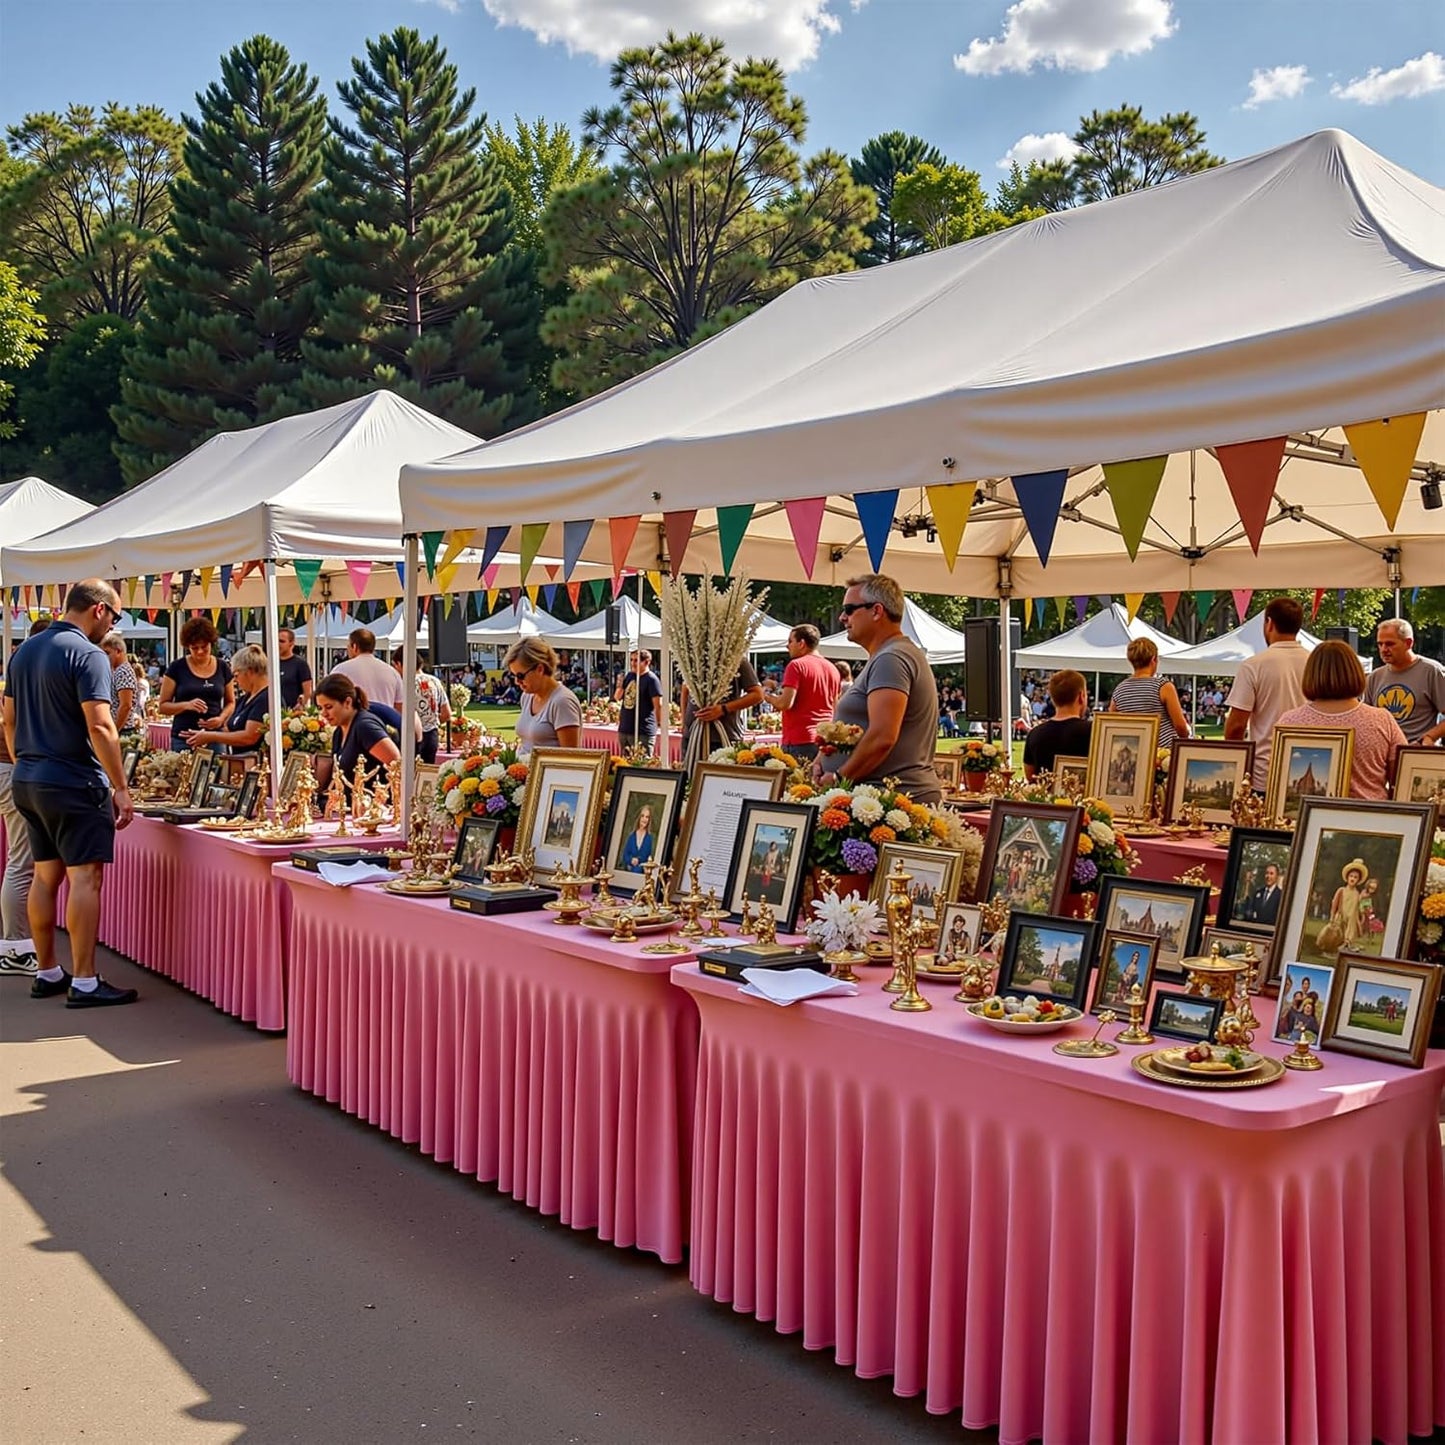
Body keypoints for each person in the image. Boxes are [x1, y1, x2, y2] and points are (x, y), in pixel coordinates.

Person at [2, 580, 137, 1006]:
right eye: (114, 617)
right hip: (74, 779)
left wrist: (25, 757)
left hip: (28, 775)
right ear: (98, 610)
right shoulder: (88, 654)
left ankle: (47, 969)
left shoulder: (25, 651)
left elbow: (8, 718)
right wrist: (120, 786)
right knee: (85, 877)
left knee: (45, 875)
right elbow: (100, 725)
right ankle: (85, 980)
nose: (113, 625)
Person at [819, 573, 941, 805]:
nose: (842, 617)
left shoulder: (891, 658)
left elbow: (883, 736)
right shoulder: (888, 656)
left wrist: (839, 777)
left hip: (894, 801)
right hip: (882, 799)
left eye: (849, 609)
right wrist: (821, 758)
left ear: (876, 611)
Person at [1274, 640, 1405, 800]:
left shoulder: (1289, 721)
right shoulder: (1381, 720)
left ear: (1310, 674)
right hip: (1370, 818)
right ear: (1355, 672)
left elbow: (1277, 776)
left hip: (1308, 820)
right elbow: (1401, 777)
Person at [0, 620, 53, 976]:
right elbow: (10, 723)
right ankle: (14, 947)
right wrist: (22, 764)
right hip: (11, 770)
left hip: (11, 770)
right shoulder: (24, 673)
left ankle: (16, 943)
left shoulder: (16, 672)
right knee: (22, 862)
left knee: (22, 860)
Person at [1225, 597, 1309, 791]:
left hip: (1264, 773)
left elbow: (1236, 726)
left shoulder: (1253, 665)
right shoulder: (1315, 662)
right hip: (1307, 765)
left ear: (1269, 623)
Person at [761, 625, 841, 762]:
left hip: (799, 739)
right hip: (825, 739)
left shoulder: (796, 665)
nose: (787, 646)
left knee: (795, 782)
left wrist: (766, 696)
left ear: (802, 643)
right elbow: (836, 706)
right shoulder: (832, 668)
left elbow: (785, 703)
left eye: (790, 641)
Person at [158, 615, 235, 751]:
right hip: (184, 737)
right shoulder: (177, 667)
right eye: (194, 648)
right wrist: (186, 705)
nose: (200, 652)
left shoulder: (223, 667)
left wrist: (221, 719)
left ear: (212, 643)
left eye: (204, 647)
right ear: (188, 646)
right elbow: (163, 706)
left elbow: (231, 702)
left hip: (214, 736)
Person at [1365, 618, 1445, 746]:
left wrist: (1430, 736)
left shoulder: (1432, 671)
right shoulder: (1374, 677)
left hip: (1417, 756)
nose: (1383, 649)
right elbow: (1367, 720)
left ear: (1408, 643)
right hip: (1383, 755)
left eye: (1390, 644)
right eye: (1380, 644)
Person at [316, 674, 401, 788]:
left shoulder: (365, 727)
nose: (324, 713)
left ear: (347, 702)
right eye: (320, 708)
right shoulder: (338, 732)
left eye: (329, 707)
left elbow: (396, 763)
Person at [182, 645, 269, 755]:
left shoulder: (265, 699)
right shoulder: (246, 698)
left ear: (249, 672)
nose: (235, 681)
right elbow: (229, 728)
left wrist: (210, 736)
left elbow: (249, 737)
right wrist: (203, 734)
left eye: (237, 675)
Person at [507, 638, 583, 757]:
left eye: (520, 676)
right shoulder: (527, 697)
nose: (517, 682)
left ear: (540, 669)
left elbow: (570, 757)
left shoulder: (562, 702)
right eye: (514, 676)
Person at [1108, 638, 1190, 747]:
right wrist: (1186, 737)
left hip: (1135, 750)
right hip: (1162, 751)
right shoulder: (1163, 686)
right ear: (1153, 659)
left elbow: (1111, 722)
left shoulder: (1120, 689)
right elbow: (1180, 726)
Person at [681, 657, 764, 757]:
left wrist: (723, 709)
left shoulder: (737, 658)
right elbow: (685, 689)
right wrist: (684, 722)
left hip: (724, 736)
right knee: (690, 771)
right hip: (692, 736)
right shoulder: (693, 657)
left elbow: (757, 695)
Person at [1022, 670, 1092, 779]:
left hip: (1046, 795)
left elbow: (1031, 778)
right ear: (1081, 696)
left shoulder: (1034, 735)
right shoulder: (1094, 732)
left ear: (1053, 699)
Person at [391, 650, 451, 763]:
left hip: (409, 735)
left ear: (399, 664)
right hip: (431, 734)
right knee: (426, 775)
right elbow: (446, 713)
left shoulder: (403, 684)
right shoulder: (435, 681)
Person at [333, 627, 405, 711]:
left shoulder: (340, 670)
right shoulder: (392, 673)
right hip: (385, 722)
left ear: (354, 646)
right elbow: (399, 707)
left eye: (348, 646)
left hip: (354, 722)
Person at [614, 649, 663, 750]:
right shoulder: (630, 676)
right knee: (624, 763)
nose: (633, 663)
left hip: (643, 731)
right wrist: (620, 684)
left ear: (646, 662)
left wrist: (659, 723)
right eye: (631, 660)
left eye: (636, 660)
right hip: (625, 729)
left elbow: (658, 705)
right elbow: (617, 697)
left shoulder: (651, 680)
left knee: (642, 762)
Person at [101, 631, 143, 737]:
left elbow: (126, 705)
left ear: (118, 651)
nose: (105, 657)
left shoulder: (123, 671)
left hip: (123, 730)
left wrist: (114, 731)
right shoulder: (117, 670)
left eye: (107, 653)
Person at [1326, 862, 1369, 955]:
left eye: (1355, 877)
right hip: (1341, 916)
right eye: (1351, 876)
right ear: (1347, 877)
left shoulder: (1357, 893)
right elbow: (1334, 904)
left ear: (1358, 880)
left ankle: (1346, 946)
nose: (1353, 879)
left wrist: (1362, 916)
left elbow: (1358, 907)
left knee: (1349, 934)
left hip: (1351, 918)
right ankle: (1332, 949)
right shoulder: (1341, 890)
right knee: (1336, 934)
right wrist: (1332, 916)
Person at [275, 626, 314, 709]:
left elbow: (307, 692)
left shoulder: (300, 664)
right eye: (276, 641)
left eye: (282, 641)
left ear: (291, 643)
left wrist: (300, 704)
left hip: (292, 713)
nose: (278, 644)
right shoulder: (270, 663)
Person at [1243, 862, 1284, 926]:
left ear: (1277, 876)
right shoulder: (1258, 893)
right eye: (1267, 873)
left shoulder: (1281, 896)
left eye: (1271, 874)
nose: (1268, 876)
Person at [619, 803, 656, 871]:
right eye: (642, 816)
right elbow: (625, 855)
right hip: (629, 869)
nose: (644, 819)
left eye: (647, 817)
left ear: (649, 820)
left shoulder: (650, 838)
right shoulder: (631, 836)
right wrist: (631, 860)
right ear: (639, 818)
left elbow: (649, 857)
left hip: (642, 871)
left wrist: (638, 860)